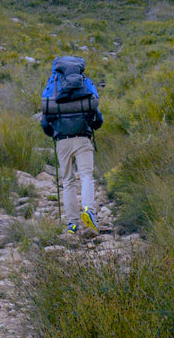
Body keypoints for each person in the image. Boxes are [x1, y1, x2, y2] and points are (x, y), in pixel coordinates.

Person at [40, 55, 103, 235]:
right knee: (86, 176)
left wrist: (53, 133)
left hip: (62, 141)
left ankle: (72, 224)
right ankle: (89, 210)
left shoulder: (54, 85)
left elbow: (45, 121)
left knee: (68, 182)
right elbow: (98, 116)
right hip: (83, 138)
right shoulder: (84, 83)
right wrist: (92, 127)